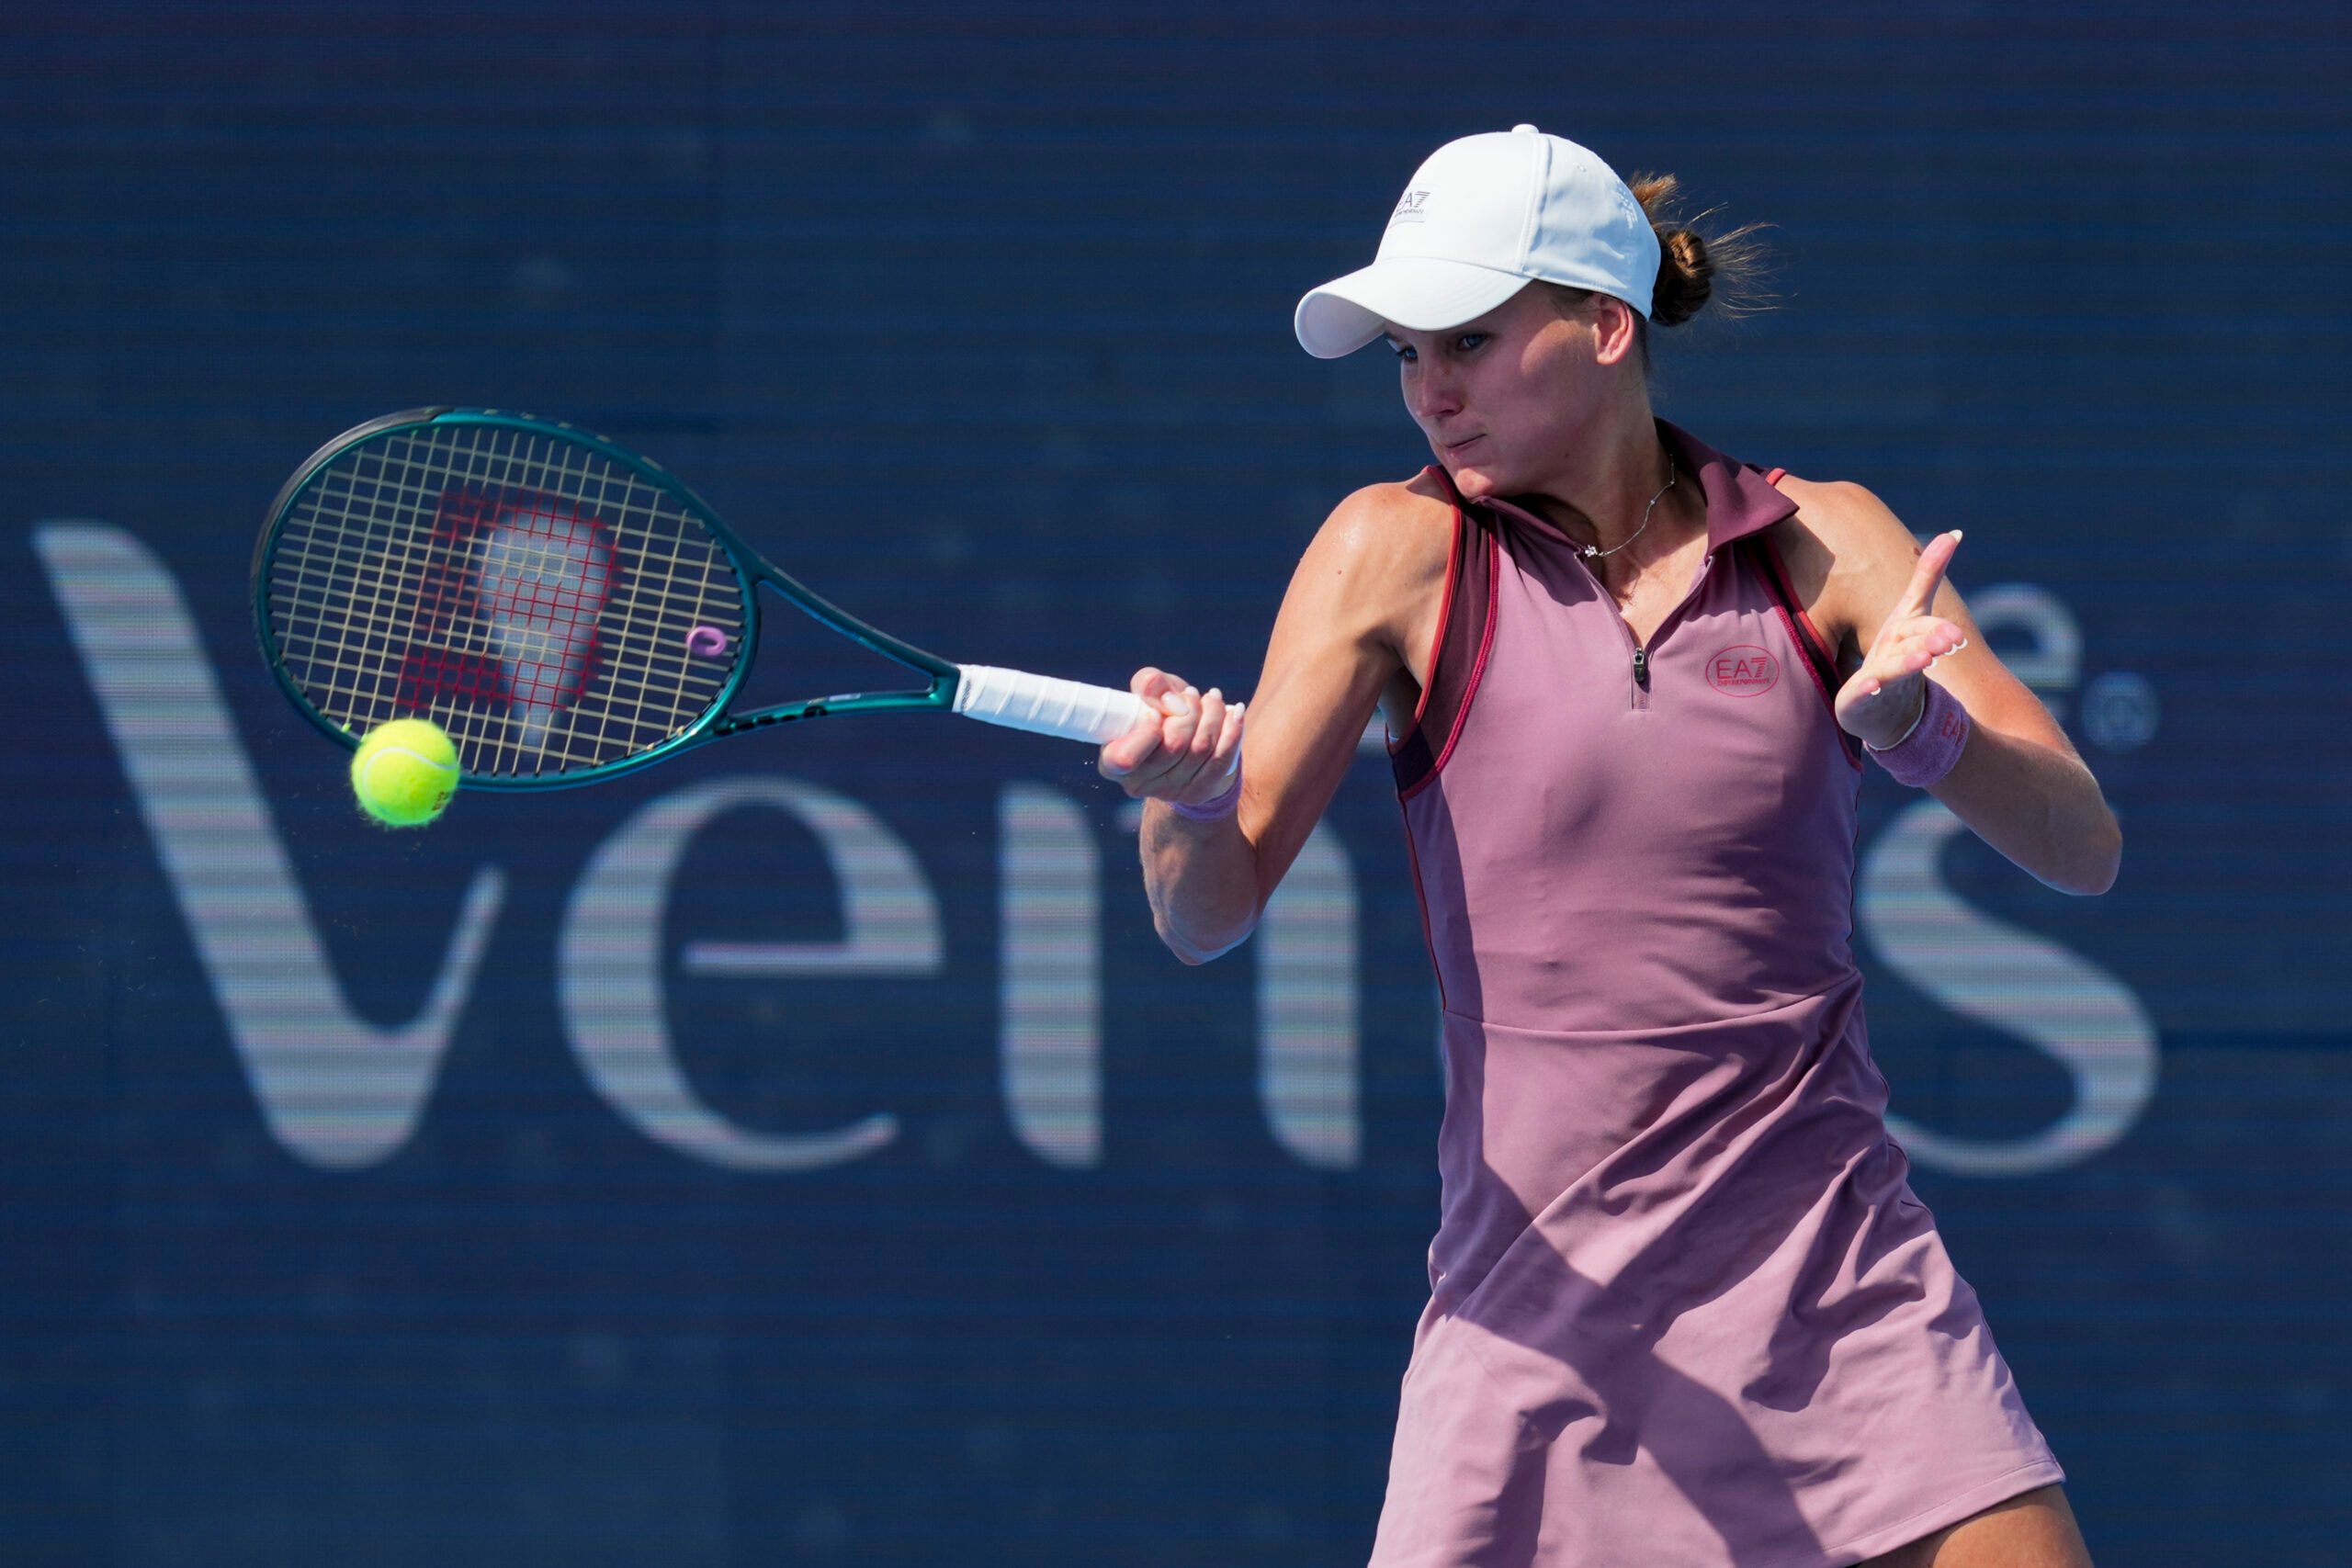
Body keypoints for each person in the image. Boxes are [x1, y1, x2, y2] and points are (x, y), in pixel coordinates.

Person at [1098, 126, 2118, 1566]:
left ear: (1603, 325)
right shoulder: (1389, 551)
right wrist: (1192, 804)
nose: (1427, 391)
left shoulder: (1826, 540)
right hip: (1538, 1327)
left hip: (1845, 1296)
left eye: (1466, 339)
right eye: (1404, 353)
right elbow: (1202, 915)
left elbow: (2083, 844)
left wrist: (1919, 735)